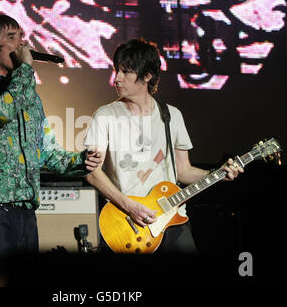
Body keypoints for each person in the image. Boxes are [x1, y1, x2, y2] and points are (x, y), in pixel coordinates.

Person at [0, 14, 102, 265]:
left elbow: (48, 152)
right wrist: (25, 70)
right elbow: (1, 112)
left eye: (22, 36)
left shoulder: (30, 98)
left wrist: (82, 160)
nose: (22, 44)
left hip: (26, 210)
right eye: (12, 37)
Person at [83, 38, 243, 254]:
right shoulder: (105, 116)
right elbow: (92, 173)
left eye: (125, 72)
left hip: (172, 221)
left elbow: (184, 171)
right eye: (116, 70)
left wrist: (216, 174)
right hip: (129, 225)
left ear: (147, 76)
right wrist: (130, 207)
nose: (117, 78)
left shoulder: (171, 116)